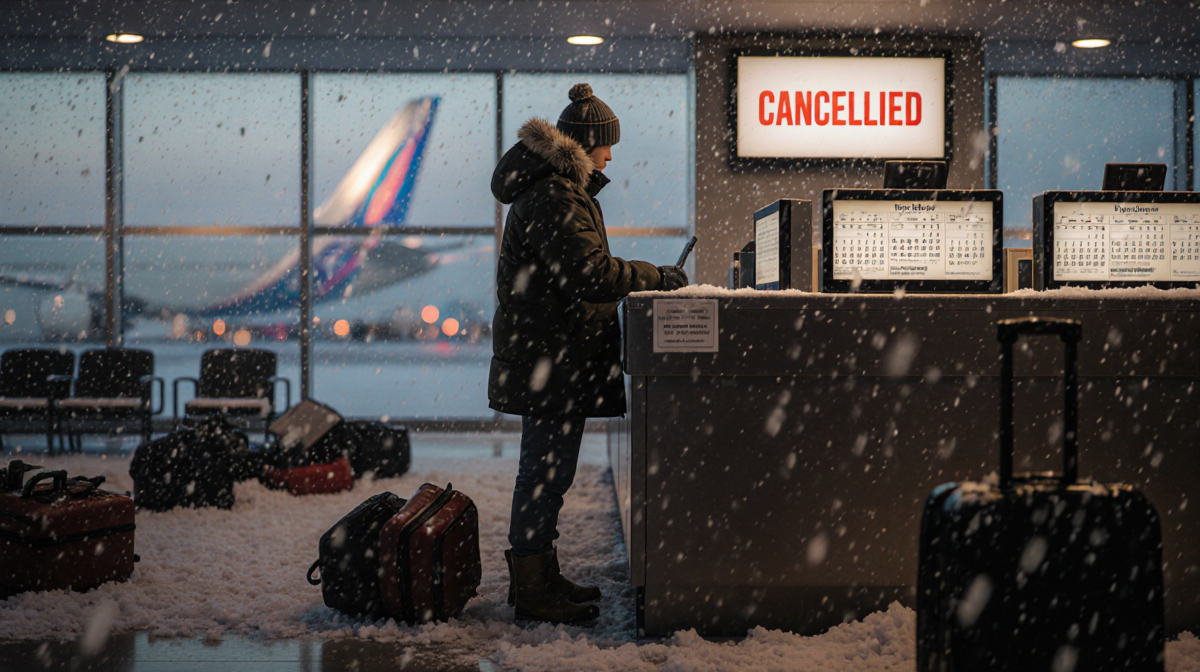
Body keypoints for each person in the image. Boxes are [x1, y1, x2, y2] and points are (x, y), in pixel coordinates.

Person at [489, 83, 688, 623]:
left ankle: (540, 576)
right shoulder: (555, 194)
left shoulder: (555, 189)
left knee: (548, 472)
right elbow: (589, 273)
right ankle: (533, 589)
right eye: (605, 145)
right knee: (545, 473)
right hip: (550, 359)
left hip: (549, 357)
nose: (610, 156)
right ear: (582, 144)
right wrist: (658, 276)